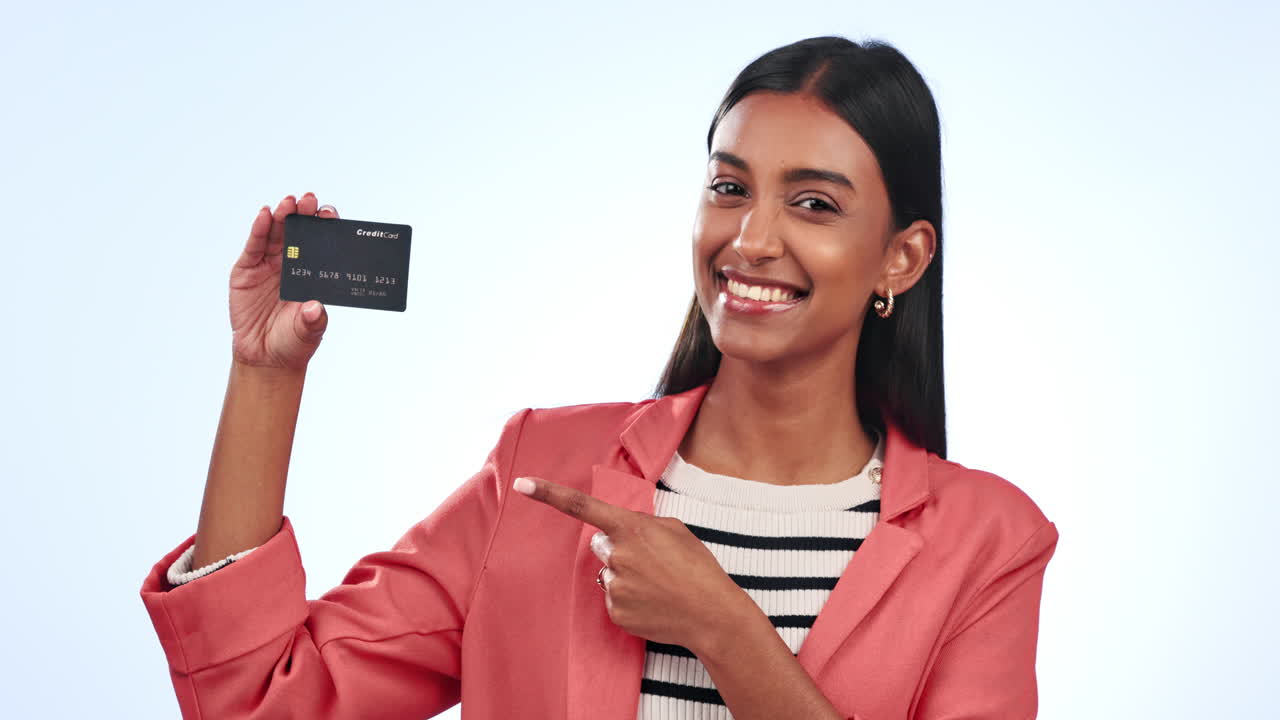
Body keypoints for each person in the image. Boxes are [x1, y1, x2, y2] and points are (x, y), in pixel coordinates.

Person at [140, 35, 1059, 720]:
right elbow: (261, 701)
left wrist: (724, 628)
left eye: (813, 203)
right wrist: (264, 377)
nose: (750, 240)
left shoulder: (988, 542)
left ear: (901, 258)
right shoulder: (544, 472)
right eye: (729, 187)